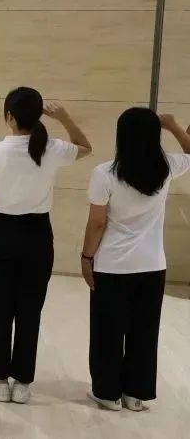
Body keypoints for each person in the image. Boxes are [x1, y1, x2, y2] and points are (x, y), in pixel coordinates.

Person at [0, 88, 91, 404]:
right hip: (37, 235)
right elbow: (85, 147)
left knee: (0, 308)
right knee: (29, 310)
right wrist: (64, 117)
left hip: (0, 233)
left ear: (9, 117)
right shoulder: (51, 148)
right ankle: (22, 383)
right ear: (39, 115)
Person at [82, 109, 190, 412]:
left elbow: (97, 223)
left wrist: (86, 256)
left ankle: (108, 393)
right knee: (144, 331)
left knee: (108, 330)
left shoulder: (105, 173)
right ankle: (135, 394)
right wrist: (174, 126)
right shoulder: (167, 168)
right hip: (152, 265)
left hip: (112, 265)